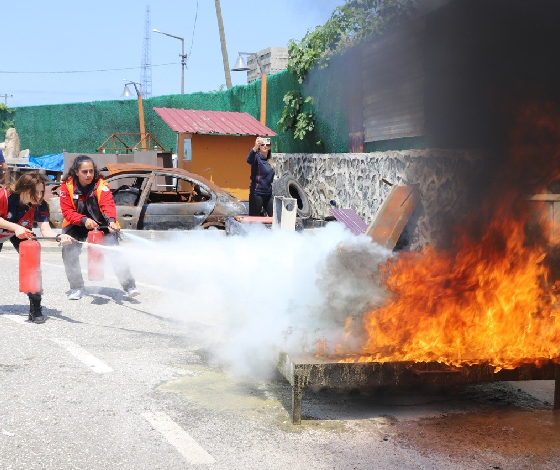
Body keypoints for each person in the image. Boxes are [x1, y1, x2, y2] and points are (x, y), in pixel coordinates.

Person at [59, 155, 140, 300]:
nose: (89, 175)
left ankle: (129, 286)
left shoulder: (101, 184)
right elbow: (67, 212)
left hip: (102, 225)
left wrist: (111, 221)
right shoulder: (67, 185)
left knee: (115, 252)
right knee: (68, 252)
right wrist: (83, 220)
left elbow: (107, 205)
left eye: (91, 171)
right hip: (76, 224)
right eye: (85, 172)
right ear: (76, 172)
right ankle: (77, 288)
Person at [0, 171, 73, 323]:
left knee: (33, 265)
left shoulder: (39, 206)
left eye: (41, 191)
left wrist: (59, 237)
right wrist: (15, 227)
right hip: (9, 228)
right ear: (25, 189)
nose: (39, 196)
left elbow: (46, 230)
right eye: (36, 192)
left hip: (18, 232)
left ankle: (35, 308)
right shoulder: (4, 196)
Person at [247, 136, 275, 217]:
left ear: (270, 147)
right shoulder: (256, 157)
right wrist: (255, 147)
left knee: (274, 217)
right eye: (262, 144)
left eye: (267, 144)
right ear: (259, 146)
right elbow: (249, 159)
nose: (265, 146)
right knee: (254, 219)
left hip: (268, 194)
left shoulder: (269, 161)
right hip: (257, 193)